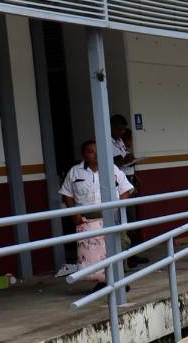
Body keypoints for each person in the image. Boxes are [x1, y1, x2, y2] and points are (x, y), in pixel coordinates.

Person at [59, 140, 134, 291]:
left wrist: (118, 209)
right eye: (90, 151)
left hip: (111, 217)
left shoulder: (112, 169)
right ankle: (103, 282)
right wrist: (74, 214)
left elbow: (126, 191)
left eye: (97, 151)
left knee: (118, 247)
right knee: (94, 253)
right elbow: (67, 194)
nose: (95, 155)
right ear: (84, 154)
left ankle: (118, 280)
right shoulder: (75, 171)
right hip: (87, 220)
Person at [111, 115, 147, 268]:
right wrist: (122, 160)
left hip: (128, 180)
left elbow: (124, 160)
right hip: (118, 184)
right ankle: (127, 257)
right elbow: (111, 163)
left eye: (123, 129)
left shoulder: (119, 142)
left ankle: (132, 254)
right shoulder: (106, 141)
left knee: (132, 221)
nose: (122, 132)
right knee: (126, 220)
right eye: (119, 128)